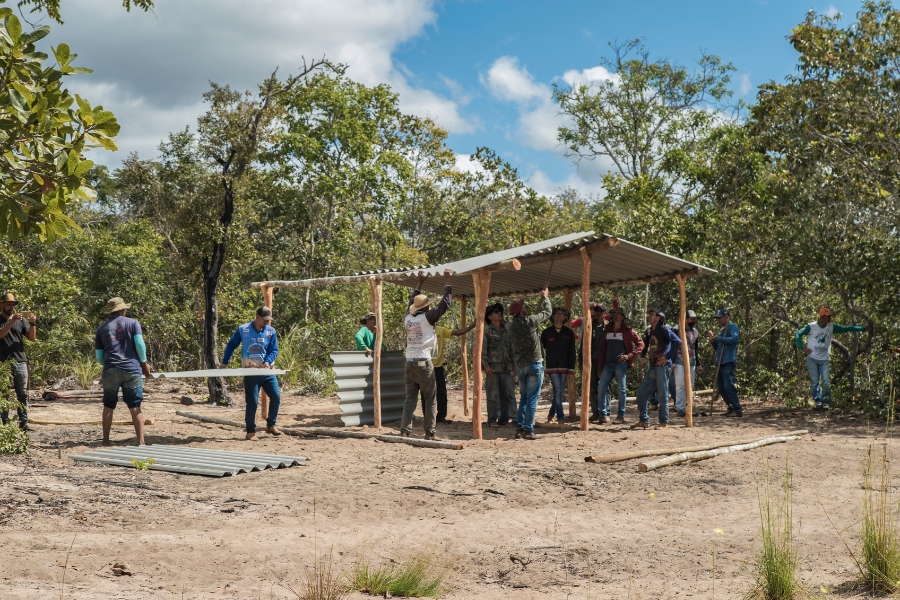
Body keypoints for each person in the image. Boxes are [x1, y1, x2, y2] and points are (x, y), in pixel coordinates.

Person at [400, 270, 452, 440]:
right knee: (430, 399)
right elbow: (445, 304)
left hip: (410, 362)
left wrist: (420, 282)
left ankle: (405, 430)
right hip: (424, 361)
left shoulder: (408, 318)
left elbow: (411, 302)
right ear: (426, 307)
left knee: (410, 399)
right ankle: (429, 433)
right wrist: (448, 280)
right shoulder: (428, 318)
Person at [94, 297, 153, 446]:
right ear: (122, 310)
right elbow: (140, 344)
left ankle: (106, 441)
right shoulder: (133, 323)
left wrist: (109, 364)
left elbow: (99, 356)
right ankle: (141, 442)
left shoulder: (101, 328)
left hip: (110, 369)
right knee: (135, 405)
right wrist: (144, 364)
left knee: (108, 404)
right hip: (132, 369)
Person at [221, 306, 282, 440]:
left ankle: (271, 425)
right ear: (257, 317)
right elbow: (232, 345)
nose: (266, 322)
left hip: (267, 372)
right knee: (252, 401)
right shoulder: (244, 330)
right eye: (264, 319)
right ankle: (250, 431)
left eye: (268, 320)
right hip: (250, 372)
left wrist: (268, 361)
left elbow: (274, 350)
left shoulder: (271, 332)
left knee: (276, 396)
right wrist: (224, 362)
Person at [794, 307, 866, 410]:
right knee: (815, 381)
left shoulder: (831, 327)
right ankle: (818, 401)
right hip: (812, 358)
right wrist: (802, 348)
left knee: (826, 380)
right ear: (823, 316)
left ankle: (826, 402)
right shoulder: (811, 326)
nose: (830, 318)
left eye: (830, 316)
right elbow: (797, 334)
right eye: (828, 316)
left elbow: (846, 328)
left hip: (824, 359)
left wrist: (862, 329)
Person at [507, 289, 551, 440]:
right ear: (521, 311)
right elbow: (548, 312)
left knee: (524, 398)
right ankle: (528, 429)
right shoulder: (530, 321)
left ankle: (519, 427)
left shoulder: (510, 327)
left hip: (521, 366)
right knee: (532, 399)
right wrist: (545, 298)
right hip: (534, 365)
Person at [633, 308, 681, 430]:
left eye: (652, 314)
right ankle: (644, 420)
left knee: (662, 393)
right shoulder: (650, 331)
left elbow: (677, 341)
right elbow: (646, 344)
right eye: (649, 314)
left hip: (662, 367)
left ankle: (664, 422)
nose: (649, 316)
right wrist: (643, 357)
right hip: (653, 366)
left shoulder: (664, 329)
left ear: (658, 317)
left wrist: (668, 357)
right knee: (641, 392)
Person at [596, 307, 644, 424]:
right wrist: (600, 367)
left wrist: (629, 356)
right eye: (615, 313)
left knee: (621, 390)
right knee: (601, 388)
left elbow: (640, 344)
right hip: (608, 363)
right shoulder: (607, 329)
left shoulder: (628, 330)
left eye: (619, 314)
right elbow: (602, 348)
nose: (616, 315)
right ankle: (603, 415)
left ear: (623, 317)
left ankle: (620, 416)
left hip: (620, 364)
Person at [0, 293, 36, 430]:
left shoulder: (21, 320)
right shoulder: (5, 320)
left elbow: (31, 338)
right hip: (3, 362)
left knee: (22, 392)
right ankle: (4, 422)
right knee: (4, 393)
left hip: (20, 360)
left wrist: (32, 323)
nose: (11, 307)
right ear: (1, 305)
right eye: (9, 304)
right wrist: (11, 321)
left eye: (13, 304)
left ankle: (23, 421)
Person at [432, 319, 476, 424]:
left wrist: (472, 326)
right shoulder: (422, 331)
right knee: (427, 393)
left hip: (438, 367)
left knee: (442, 392)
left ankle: (441, 416)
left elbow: (457, 332)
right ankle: (429, 417)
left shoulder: (440, 330)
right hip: (426, 367)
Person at [541, 308, 576, 423]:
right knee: (557, 391)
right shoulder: (546, 332)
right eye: (557, 314)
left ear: (565, 317)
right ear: (553, 316)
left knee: (559, 392)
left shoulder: (569, 333)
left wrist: (571, 371)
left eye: (562, 314)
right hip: (551, 367)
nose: (560, 316)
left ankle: (551, 414)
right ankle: (561, 418)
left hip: (565, 367)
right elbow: (541, 349)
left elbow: (572, 352)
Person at [483, 303, 516, 428]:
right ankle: (492, 420)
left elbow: (511, 349)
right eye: (496, 312)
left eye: (500, 311)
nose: (500, 314)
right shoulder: (487, 331)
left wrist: (513, 365)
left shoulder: (506, 330)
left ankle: (504, 419)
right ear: (490, 316)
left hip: (506, 368)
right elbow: (483, 350)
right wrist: (486, 366)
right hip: (493, 368)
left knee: (506, 395)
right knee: (492, 396)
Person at [708, 308, 742, 417]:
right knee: (721, 387)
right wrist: (713, 340)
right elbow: (718, 347)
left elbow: (734, 339)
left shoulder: (732, 327)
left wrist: (719, 338)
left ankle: (737, 409)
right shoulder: (722, 331)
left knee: (728, 385)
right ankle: (731, 407)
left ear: (726, 317)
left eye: (720, 318)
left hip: (728, 360)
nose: (718, 320)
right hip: (720, 362)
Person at [672, 310, 702, 418]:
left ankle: (688, 407)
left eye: (694, 319)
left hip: (692, 361)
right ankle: (680, 408)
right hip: (679, 360)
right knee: (680, 385)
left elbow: (696, 349)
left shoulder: (695, 332)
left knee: (690, 385)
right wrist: (673, 361)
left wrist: (698, 364)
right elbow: (672, 346)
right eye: (692, 319)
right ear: (686, 318)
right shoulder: (676, 330)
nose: (693, 321)